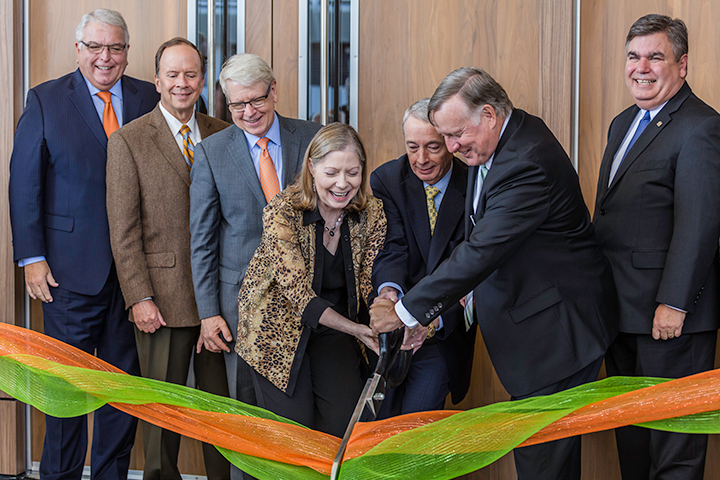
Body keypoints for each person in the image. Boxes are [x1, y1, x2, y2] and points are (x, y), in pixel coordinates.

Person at [369, 67, 618, 480]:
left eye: (455, 135)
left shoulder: (526, 162)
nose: (450, 147)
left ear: (488, 115)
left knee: (543, 465)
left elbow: (481, 251)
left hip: (557, 335)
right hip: (541, 325)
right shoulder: (506, 137)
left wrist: (407, 312)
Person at [8, 9, 159, 480]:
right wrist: (32, 258)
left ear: (127, 51)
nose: (104, 57)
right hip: (68, 274)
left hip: (135, 277)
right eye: (94, 46)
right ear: (78, 49)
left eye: (114, 47)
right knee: (67, 389)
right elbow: (24, 184)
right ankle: (59, 475)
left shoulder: (150, 97)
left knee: (121, 389)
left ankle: (110, 475)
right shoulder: (47, 99)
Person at [593, 14, 720, 480]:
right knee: (633, 440)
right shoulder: (623, 122)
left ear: (682, 65)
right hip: (622, 315)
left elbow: (700, 224)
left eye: (655, 56)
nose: (640, 67)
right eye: (633, 56)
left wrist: (673, 302)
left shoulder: (701, 126)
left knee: (675, 447)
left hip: (671, 321)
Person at [189, 53, 320, 479]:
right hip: (240, 307)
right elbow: (203, 240)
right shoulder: (211, 152)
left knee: (303, 412)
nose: (248, 113)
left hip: (309, 301)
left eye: (256, 101)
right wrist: (208, 313)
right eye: (237, 105)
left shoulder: (313, 140)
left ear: (274, 91)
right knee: (249, 418)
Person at [106, 38, 230, 480]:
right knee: (162, 418)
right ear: (156, 81)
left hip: (220, 300)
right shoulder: (128, 140)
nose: (182, 83)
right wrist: (139, 297)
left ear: (203, 81)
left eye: (191, 74)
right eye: (173, 75)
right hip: (161, 301)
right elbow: (123, 232)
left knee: (224, 413)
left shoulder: (223, 132)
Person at [235, 123, 385, 437]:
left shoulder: (372, 213)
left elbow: (372, 280)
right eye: (332, 173)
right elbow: (297, 293)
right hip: (276, 332)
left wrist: (388, 313)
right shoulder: (283, 211)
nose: (343, 184)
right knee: (294, 438)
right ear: (312, 168)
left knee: (343, 430)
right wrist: (358, 329)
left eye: (353, 173)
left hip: (335, 333)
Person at [370, 98, 475, 416]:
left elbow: (472, 267)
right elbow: (392, 246)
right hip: (392, 335)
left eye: (432, 147)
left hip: (443, 331)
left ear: (451, 143)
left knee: (416, 429)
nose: (421, 159)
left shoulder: (474, 182)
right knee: (377, 428)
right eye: (412, 147)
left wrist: (430, 322)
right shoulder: (387, 179)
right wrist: (389, 294)